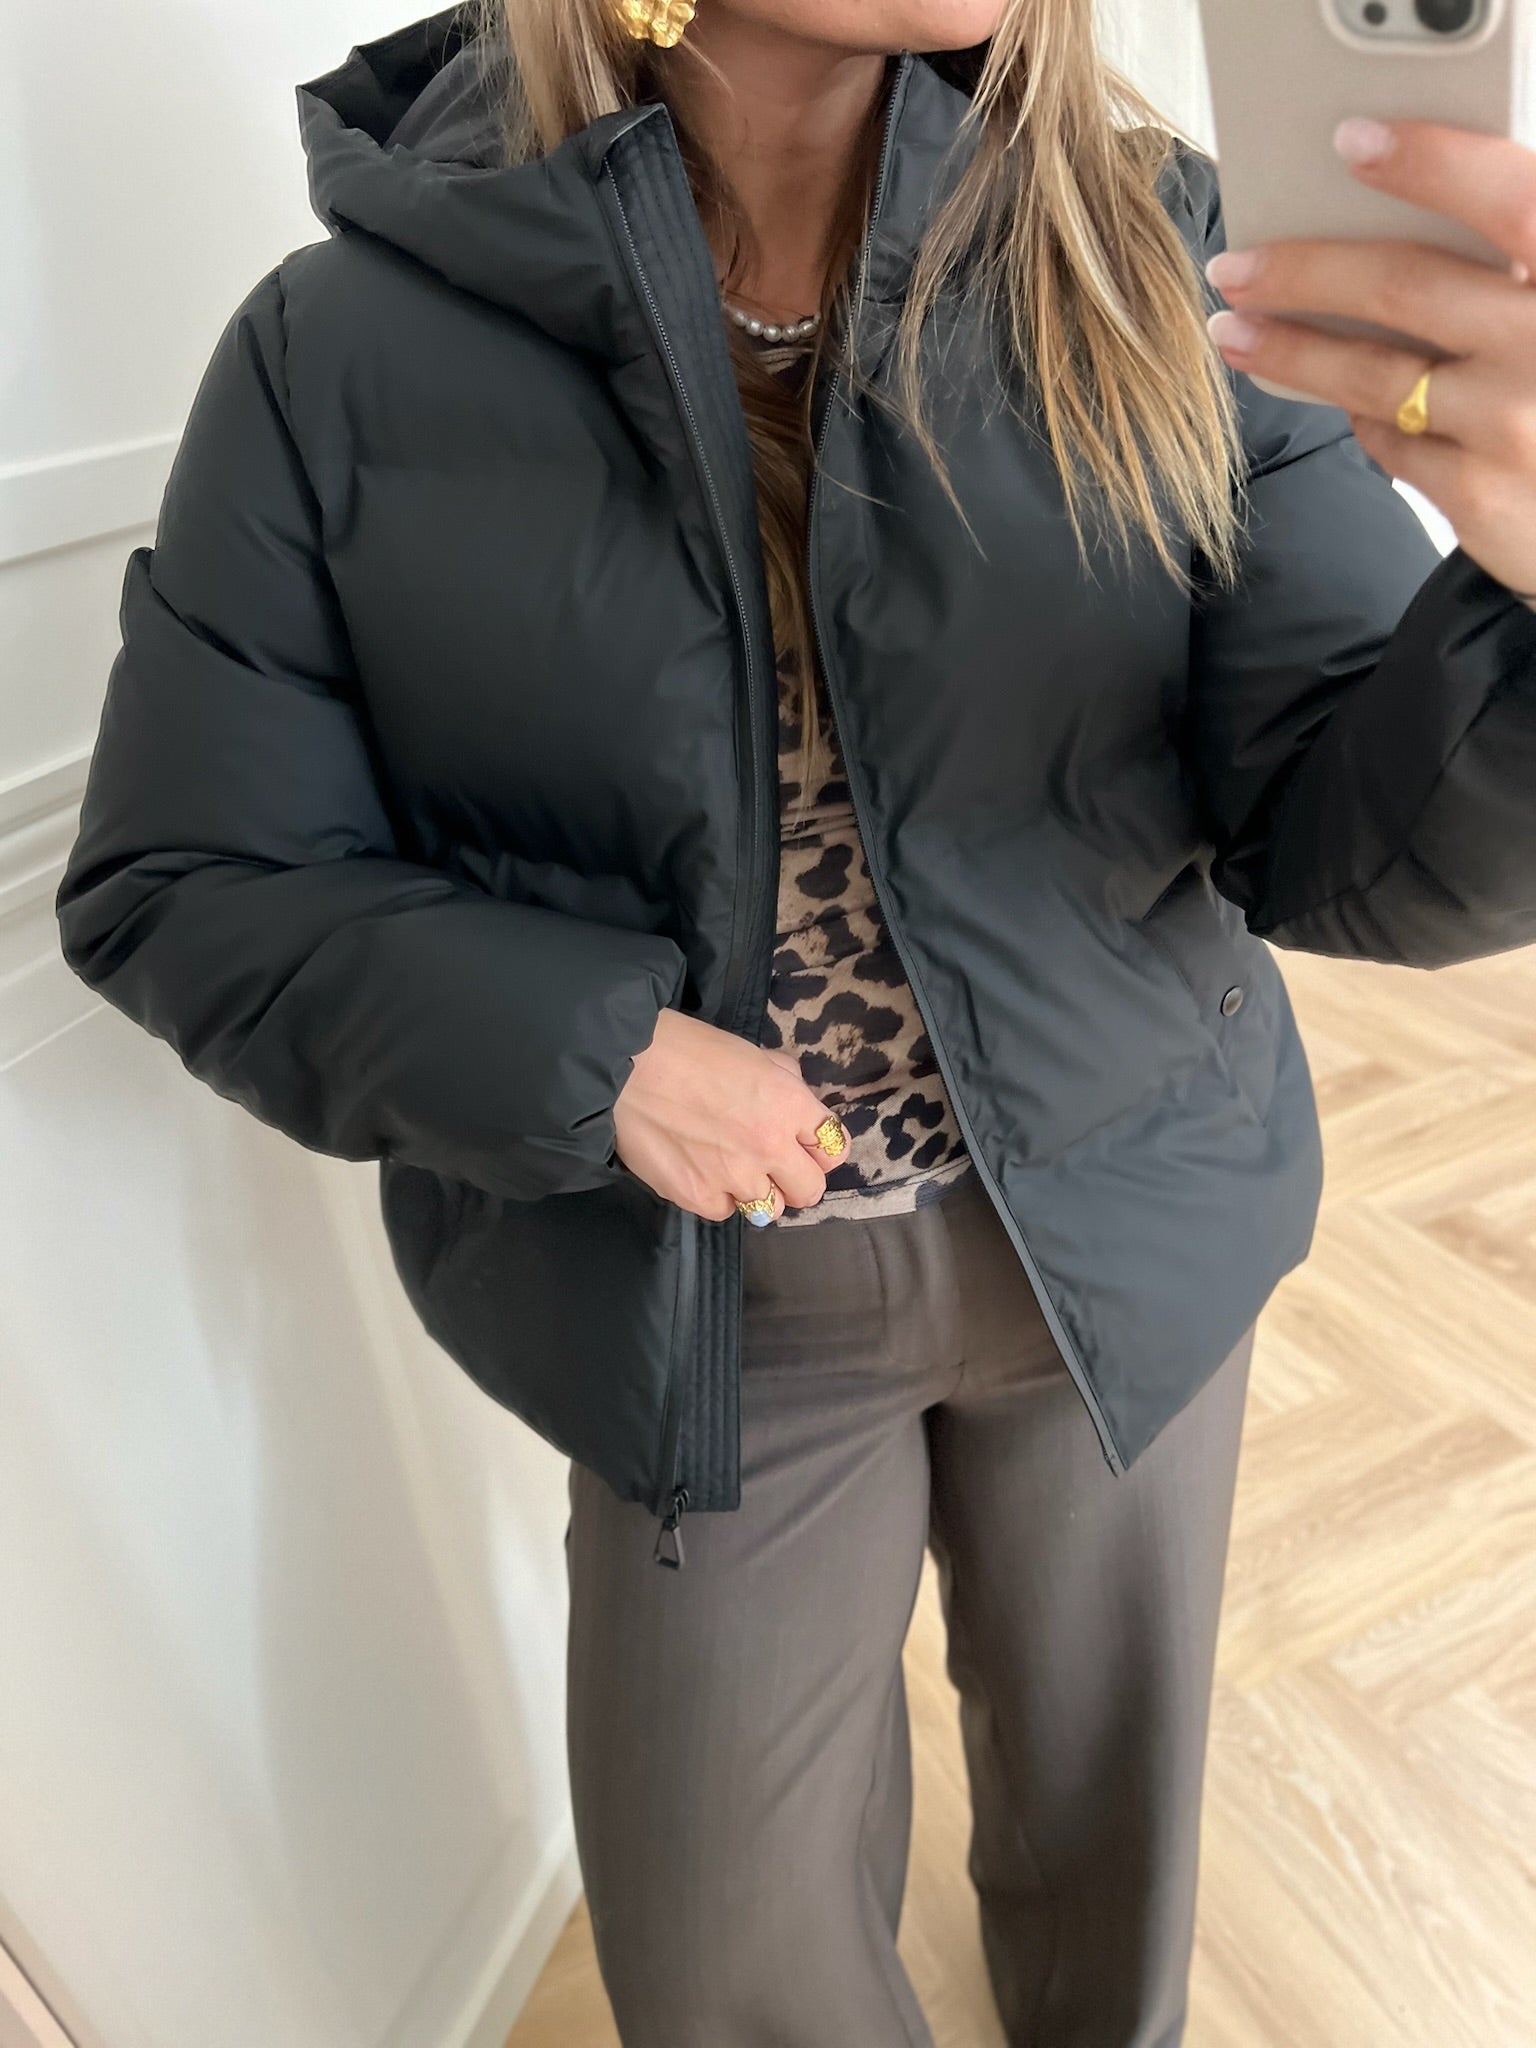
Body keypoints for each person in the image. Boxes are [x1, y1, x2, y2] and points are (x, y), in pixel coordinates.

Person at [55, 2, 1536, 2041]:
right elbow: (183, 877)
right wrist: (597, 1051)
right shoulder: (338, 357)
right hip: (704, 1310)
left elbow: (1344, 843)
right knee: (725, 1959)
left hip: (1122, 1231)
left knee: (1111, 1845)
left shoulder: (1160, 267)